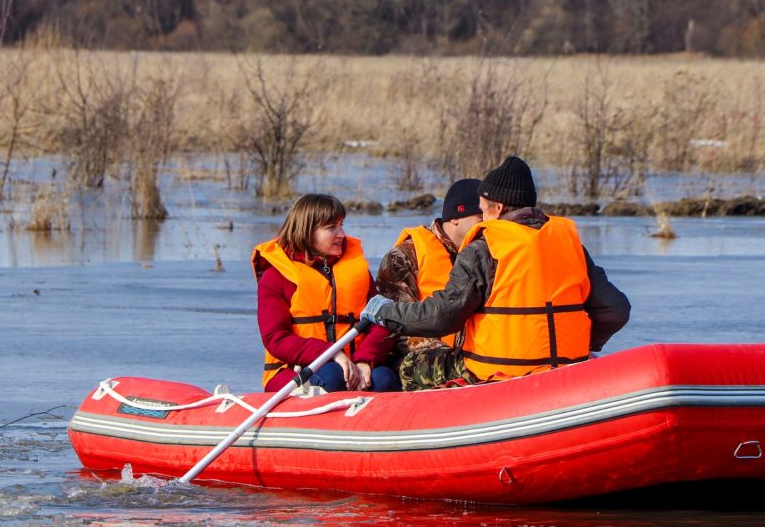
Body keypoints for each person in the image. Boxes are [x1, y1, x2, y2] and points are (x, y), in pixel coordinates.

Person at [362, 156, 630, 391]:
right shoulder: (570, 245)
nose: (482, 216)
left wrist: (383, 311)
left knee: (411, 365)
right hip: (566, 366)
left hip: (499, 373)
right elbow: (616, 309)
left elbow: (442, 317)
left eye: (482, 207)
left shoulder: (485, 247)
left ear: (497, 208)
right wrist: (580, 343)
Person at [253, 194, 400, 393]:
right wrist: (333, 354)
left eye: (341, 225)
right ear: (306, 231)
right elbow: (276, 339)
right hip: (294, 369)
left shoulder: (357, 271)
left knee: (383, 379)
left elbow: (383, 321)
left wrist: (366, 360)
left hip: (353, 363)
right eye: (332, 227)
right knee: (332, 376)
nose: (341, 234)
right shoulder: (276, 277)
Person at [375, 178, 483, 363]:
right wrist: (454, 360)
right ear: (455, 217)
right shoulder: (404, 257)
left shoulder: (487, 253)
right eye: (481, 219)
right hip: (424, 361)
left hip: (477, 355)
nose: (486, 226)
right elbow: (398, 329)